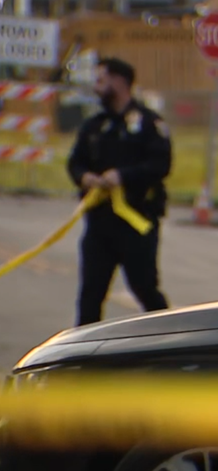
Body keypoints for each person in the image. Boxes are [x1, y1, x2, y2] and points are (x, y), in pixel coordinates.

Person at [66, 57, 173, 327]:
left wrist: (123, 176)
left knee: (144, 288)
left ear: (119, 81)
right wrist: (84, 177)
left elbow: (160, 164)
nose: (96, 86)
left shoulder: (148, 124)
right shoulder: (96, 125)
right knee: (90, 295)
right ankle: (85, 349)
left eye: (101, 80)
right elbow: (75, 162)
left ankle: (170, 337)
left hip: (136, 222)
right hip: (99, 223)